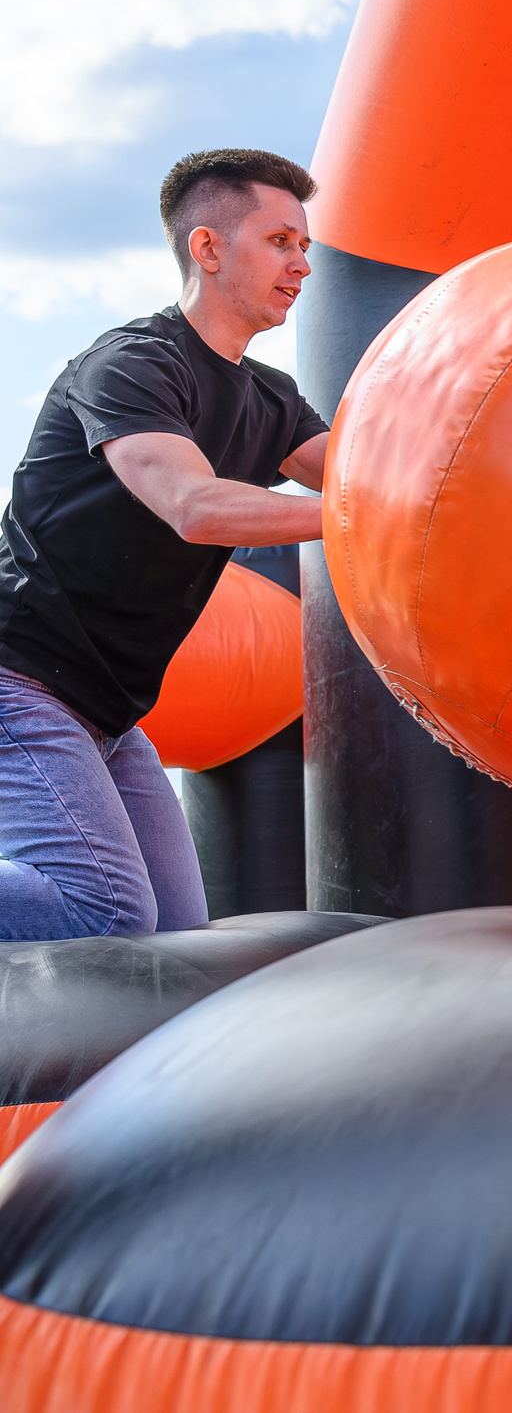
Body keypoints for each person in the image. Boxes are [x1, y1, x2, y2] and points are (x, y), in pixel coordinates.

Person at [0, 149, 329, 939]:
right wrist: (374, 510)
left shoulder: (271, 400)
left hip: (110, 713)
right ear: (208, 248)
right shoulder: (130, 365)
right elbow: (194, 506)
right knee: (106, 912)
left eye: (306, 247)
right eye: (281, 241)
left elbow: (370, 473)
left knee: (174, 940)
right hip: (18, 680)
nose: (302, 266)